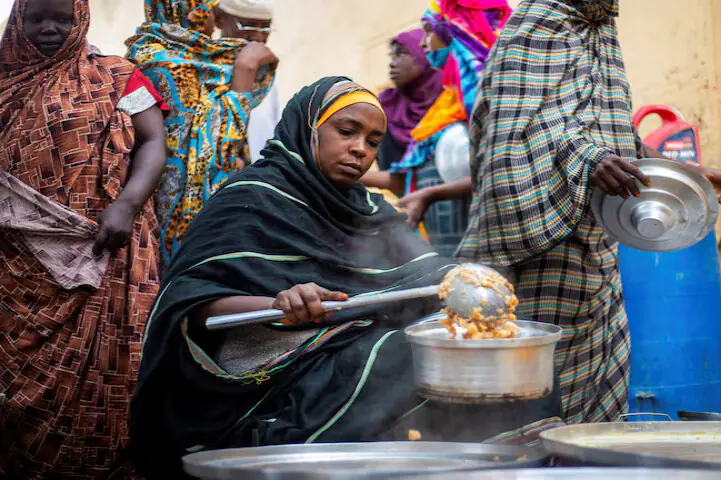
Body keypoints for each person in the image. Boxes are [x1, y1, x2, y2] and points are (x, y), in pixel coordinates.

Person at [128, 77, 563, 479]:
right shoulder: (252, 198)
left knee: (494, 351)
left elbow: (425, 271)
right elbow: (192, 303)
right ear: (309, 128)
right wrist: (278, 305)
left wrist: (466, 279)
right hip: (267, 376)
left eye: (373, 141)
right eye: (347, 131)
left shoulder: (372, 209)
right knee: (402, 355)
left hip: (348, 347)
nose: (361, 150)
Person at [458, 0, 721, 426]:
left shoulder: (602, 35)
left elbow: (617, 137)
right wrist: (586, 159)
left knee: (599, 412)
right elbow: (510, 136)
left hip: (598, 261)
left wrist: (688, 176)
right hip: (536, 261)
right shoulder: (535, 26)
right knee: (525, 403)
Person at [0, 0, 167, 477]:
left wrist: (126, 204)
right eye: (37, 18)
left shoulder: (118, 76)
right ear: (18, 20)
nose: (50, 29)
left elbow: (153, 141)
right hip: (15, 270)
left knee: (112, 373)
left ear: (82, 20)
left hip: (106, 249)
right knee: (15, 391)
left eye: (63, 18)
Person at [126, 0, 278, 269]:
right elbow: (216, 144)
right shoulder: (159, 62)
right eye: (210, 9)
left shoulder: (207, 59)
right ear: (188, 10)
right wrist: (243, 76)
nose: (214, 17)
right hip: (168, 206)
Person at [363, 0, 511, 257]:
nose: (423, 43)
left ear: (453, 31)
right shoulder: (448, 104)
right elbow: (415, 178)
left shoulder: (488, 94)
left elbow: (500, 168)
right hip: (448, 250)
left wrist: (430, 194)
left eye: (429, 31)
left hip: (490, 249)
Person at [376, 28, 442, 171]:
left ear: (423, 55)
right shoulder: (386, 106)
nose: (392, 64)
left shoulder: (453, 100)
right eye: (392, 56)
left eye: (401, 54)